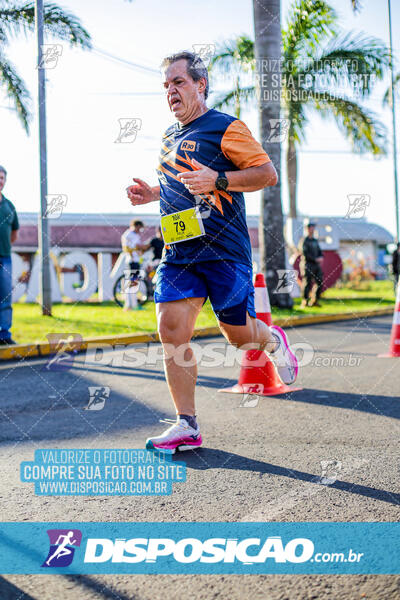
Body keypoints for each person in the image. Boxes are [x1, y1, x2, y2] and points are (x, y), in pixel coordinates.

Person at [126, 51, 299, 454]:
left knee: (239, 337)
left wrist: (218, 178)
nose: (171, 91)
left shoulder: (226, 127)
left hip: (224, 251)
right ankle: (187, 424)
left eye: (179, 82)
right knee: (171, 329)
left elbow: (266, 174)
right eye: (166, 85)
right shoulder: (170, 137)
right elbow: (183, 184)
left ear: (200, 84)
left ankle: (271, 339)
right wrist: (152, 193)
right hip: (180, 252)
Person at [0, 165, 19, 345]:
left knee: (5, 296)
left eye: (2, 178)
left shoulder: (9, 206)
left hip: (5, 257)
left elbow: (14, 233)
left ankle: (4, 335)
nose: (0, 181)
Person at [120, 219, 147, 310]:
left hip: (134, 261)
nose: (140, 231)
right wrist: (144, 247)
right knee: (133, 283)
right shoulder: (129, 234)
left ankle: (130, 305)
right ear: (136, 226)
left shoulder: (131, 234)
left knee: (133, 282)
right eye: (139, 228)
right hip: (132, 261)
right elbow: (135, 247)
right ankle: (132, 305)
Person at [300, 223, 324, 308]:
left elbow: (319, 251)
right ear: (307, 229)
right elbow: (304, 253)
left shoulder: (315, 241)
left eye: (313, 228)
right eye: (311, 228)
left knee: (320, 281)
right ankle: (305, 301)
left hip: (316, 265)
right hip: (307, 265)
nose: (313, 230)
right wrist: (315, 259)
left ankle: (315, 300)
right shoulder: (304, 241)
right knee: (307, 283)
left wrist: (321, 257)